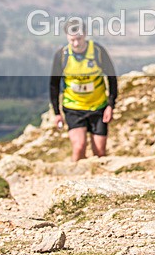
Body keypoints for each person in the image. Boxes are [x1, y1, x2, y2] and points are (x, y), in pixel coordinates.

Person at [49, 19, 118, 162]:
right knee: (79, 147)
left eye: (79, 39)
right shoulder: (62, 55)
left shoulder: (98, 52)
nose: (75, 43)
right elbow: (54, 85)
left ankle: (100, 181)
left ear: (85, 35)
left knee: (99, 151)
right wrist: (57, 113)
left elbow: (112, 79)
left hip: (98, 107)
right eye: (72, 40)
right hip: (73, 107)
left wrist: (110, 105)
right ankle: (75, 182)